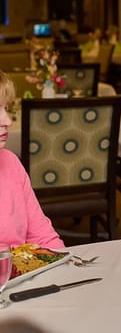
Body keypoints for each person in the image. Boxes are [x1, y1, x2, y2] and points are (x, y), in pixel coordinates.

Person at [0, 71, 64, 248]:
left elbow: (43, 237)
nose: (7, 121)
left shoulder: (11, 163)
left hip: (23, 273)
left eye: (5, 108)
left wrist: (65, 267)